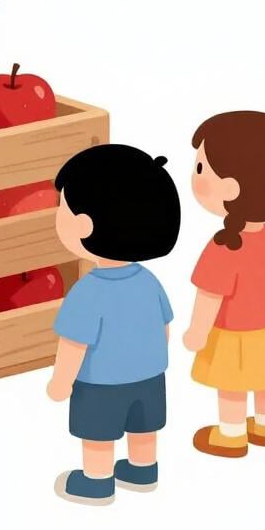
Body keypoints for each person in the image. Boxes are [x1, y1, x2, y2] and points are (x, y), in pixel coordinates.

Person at [47, 145, 180, 506]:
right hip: (150, 377)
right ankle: (142, 468)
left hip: (101, 382)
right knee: (143, 427)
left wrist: (61, 383)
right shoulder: (149, 280)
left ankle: (97, 480)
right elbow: (164, 326)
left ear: (84, 225)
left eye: (63, 207)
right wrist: (152, 359)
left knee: (98, 435)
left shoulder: (88, 291)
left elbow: (74, 344)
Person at [183, 111, 265, 459]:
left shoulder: (224, 245)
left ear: (230, 188)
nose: (194, 177)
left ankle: (231, 435)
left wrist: (197, 332)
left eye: (200, 169)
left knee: (233, 386)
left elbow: (209, 294)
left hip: (234, 334)